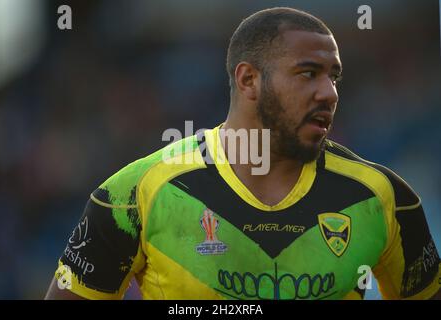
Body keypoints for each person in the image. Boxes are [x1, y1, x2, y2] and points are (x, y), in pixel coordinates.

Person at [45, 7, 440, 300]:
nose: (329, 93)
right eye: (308, 73)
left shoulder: (387, 198)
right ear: (249, 79)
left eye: (333, 76)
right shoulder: (131, 195)